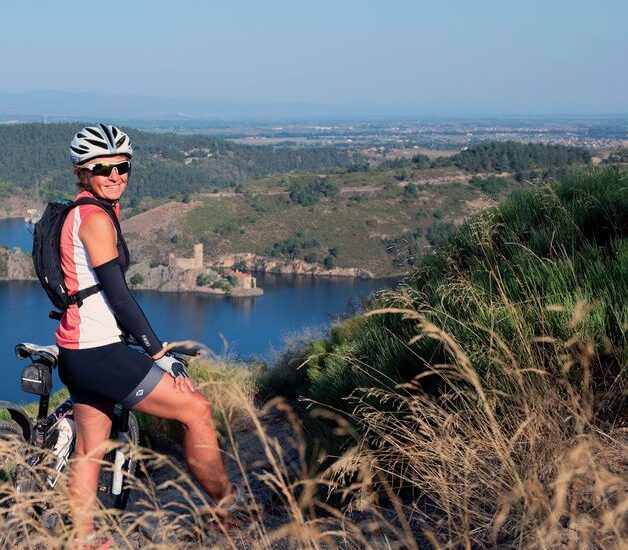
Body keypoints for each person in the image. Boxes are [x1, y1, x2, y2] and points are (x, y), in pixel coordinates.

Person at [57, 123, 235, 549]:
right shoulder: (96, 219)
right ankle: (228, 510)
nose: (115, 175)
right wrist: (159, 353)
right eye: (103, 168)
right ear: (84, 172)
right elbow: (118, 295)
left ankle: (84, 541)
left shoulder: (80, 211)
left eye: (123, 167)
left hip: (75, 352)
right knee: (195, 409)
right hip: (99, 352)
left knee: (90, 449)